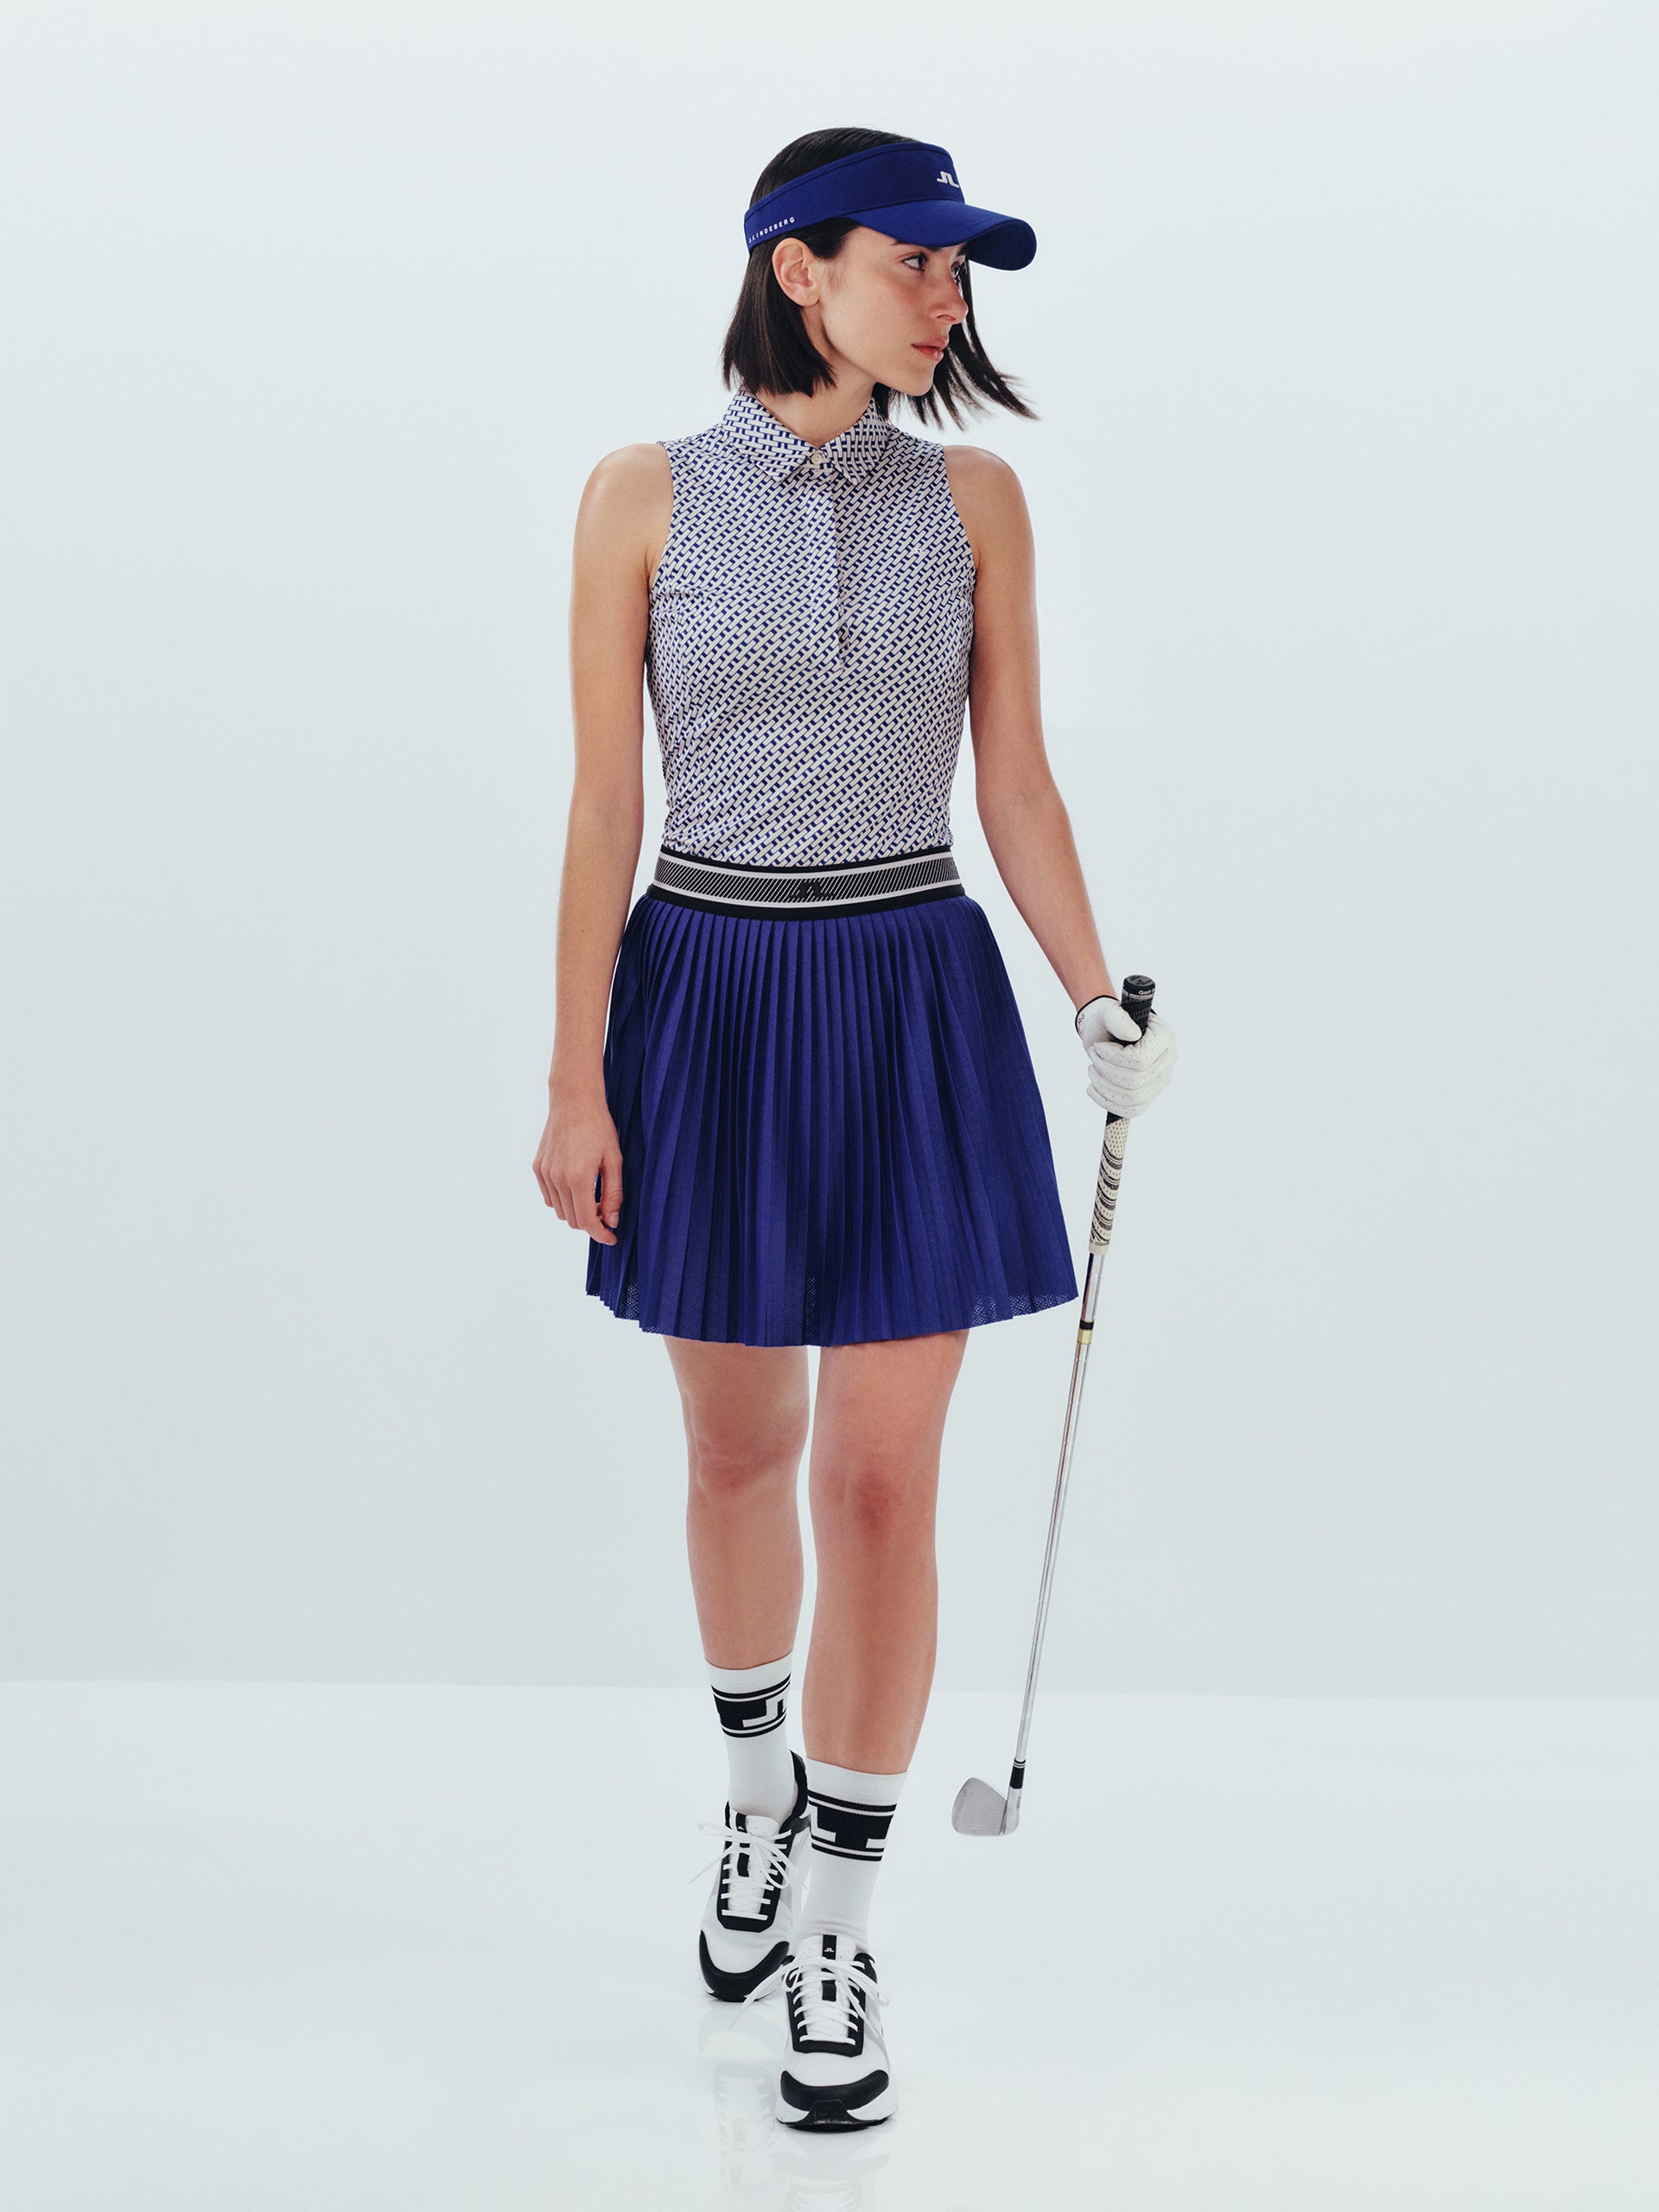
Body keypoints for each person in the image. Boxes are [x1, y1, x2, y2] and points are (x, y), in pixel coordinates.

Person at [533, 126, 1177, 2133]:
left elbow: (1018, 782)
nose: (947, 301)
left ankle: (837, 1916)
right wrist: (573, 1075)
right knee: (741, 1449)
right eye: (918, 264)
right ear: (798, 269)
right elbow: (602, 806)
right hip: (710, 994)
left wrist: (1093, 991)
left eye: (962, 275)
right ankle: (753, 1797)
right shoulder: (641, 494)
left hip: (912, 993)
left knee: (884, 1487)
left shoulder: (976, 502)